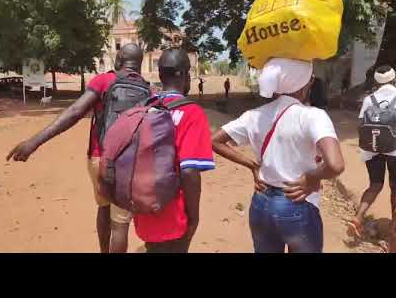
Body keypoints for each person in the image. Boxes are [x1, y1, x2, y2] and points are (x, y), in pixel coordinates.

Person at [7, 43, 144, 253]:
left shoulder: (105, 80)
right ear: (140, 64)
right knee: (120, 224)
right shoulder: (148, 89)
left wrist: (34, 142)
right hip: (130, 163)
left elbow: (75, 111)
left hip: (100, 158)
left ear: (118, 60)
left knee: (103, 207)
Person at [212, 58, 344, 253]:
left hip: (261, 203)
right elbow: (335, 165)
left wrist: (253, 166)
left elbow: (214, 141)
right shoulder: (312, 116)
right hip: (296, 202)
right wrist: (311, 177)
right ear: (305, 84)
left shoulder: (254, 115)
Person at [133, 48, 215, 253]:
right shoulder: (191, 112)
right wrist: (194, 218)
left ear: (160, 75)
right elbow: (189, 171)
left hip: (142, 209)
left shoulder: (143, 108)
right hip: (173, 215)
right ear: (185, 75)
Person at [348, 65, 396, 240]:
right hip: (394, 149)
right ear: (393, 78)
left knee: (375, 184)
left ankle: (358, 218)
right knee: (394, 187)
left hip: (372, 148)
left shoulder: (369, 99)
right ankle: (393, 229)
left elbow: (361, 123)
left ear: (377, 80)